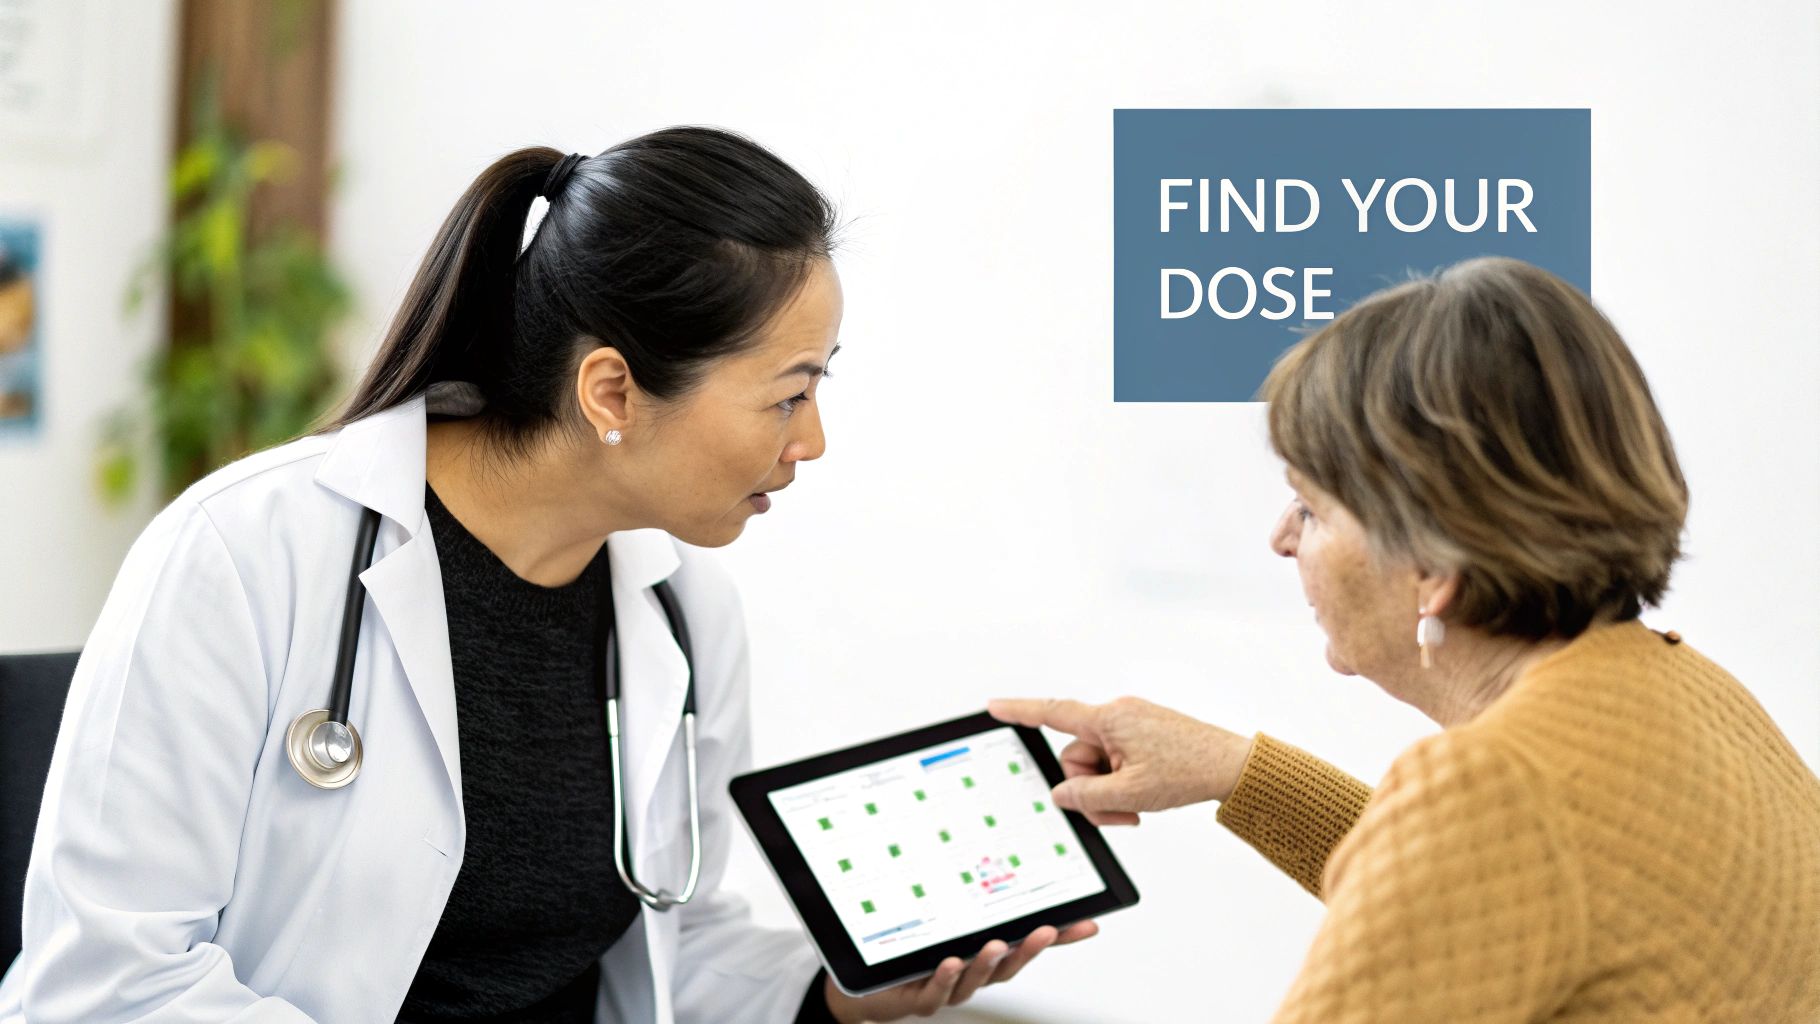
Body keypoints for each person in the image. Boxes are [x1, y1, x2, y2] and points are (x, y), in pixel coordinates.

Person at [0, 128, 1091, 1024]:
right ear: (611, 391)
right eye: (786, 395)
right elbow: (105, 985)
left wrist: (841, 993)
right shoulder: (246, 553)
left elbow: (675, 944)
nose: (811, 442)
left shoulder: (679, 612)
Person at [993, 257, 1820, 1021]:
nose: (1281, 538)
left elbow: (1484, 849)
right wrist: (1236, 772)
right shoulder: (1689, 689)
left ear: (1432, 564)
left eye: (1311, 506)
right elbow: (1489, 899)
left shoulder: (1496, 788)